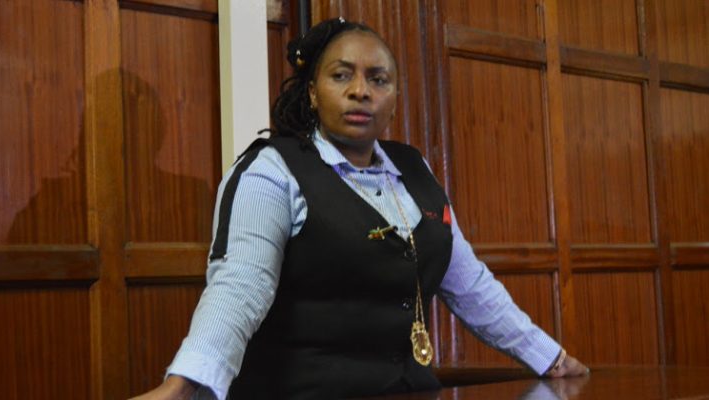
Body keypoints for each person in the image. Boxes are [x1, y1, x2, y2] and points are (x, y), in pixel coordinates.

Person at [132, 17, 588, 400]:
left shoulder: (415, 168)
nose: (360, 91)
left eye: (378, 79)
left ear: (394, 98)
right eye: (341, 76)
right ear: (313, 92)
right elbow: (240, 287)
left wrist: (550, 358)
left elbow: (470, 285)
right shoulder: (271, 170)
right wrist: (183, 386)